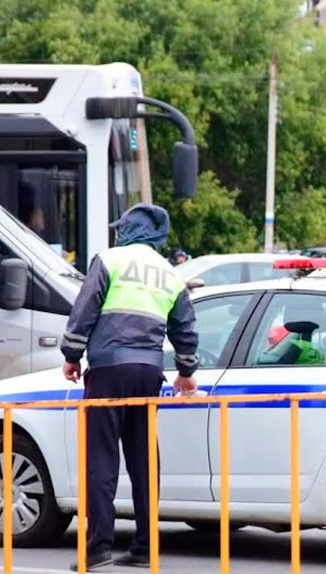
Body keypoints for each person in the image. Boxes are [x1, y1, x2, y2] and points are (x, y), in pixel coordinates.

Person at [60, 203, 199, 571]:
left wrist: (71, 354)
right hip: (149, 372)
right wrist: (186, 371)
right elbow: (185, 327)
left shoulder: (109, 260)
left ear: (128, 230)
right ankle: (144, 548)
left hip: (108, 370)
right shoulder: (170, 273)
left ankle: (98, 547)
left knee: (102, 458)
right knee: (143, 459)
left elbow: (85, 309)